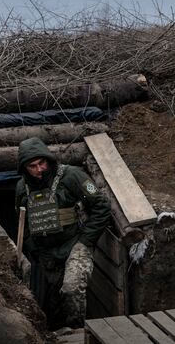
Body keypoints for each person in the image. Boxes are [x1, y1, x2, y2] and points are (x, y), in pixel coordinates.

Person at [15, 137, 111, 328]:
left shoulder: (71, 176)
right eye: (32, 166)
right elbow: (21, 223)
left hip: (75, 244)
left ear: (48, 159)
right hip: (47, 253)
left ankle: (78, 331)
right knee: (55, 299)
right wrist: (34, 248)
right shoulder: (21, 188)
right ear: (24, 168)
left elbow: (101, 206)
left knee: (71, 289)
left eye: (41, 163)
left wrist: (85, 240)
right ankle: (58, 332)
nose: (39, 169)